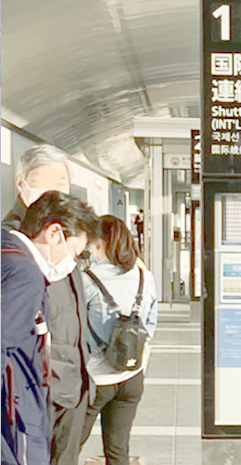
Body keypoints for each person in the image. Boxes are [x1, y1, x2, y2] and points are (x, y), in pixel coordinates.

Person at [2, 145, 99, 465]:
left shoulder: (65, 230)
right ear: (22, 185)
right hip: (38, 396)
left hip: (72, 388)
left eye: (65, 187)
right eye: (51, 188)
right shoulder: (21, 247)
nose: (60, 197)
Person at [80, 216, 158, 465]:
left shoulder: (87, 278)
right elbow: (151, 325)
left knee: (67, 447)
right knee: (118, 452)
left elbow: (74, 328)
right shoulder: (144, 276)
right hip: (132, 376)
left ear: (101, 242)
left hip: (96, 379)